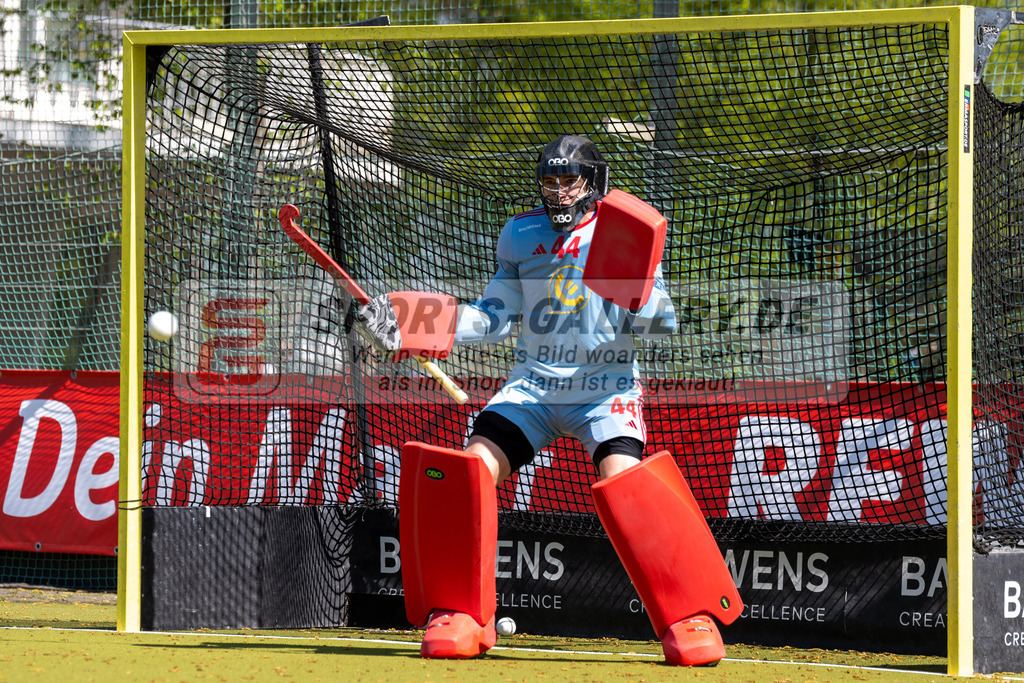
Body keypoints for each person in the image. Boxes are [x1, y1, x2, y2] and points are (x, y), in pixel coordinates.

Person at [357, 134, 741, 666]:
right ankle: (461, 614)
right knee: (470, 471)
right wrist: (411, 324)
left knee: (625, 482)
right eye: (550, 181)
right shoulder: (520, 234)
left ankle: (687, 616)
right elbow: (491, 318)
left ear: (594, 184)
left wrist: (630, 284)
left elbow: (665, 320)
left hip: (605, 392)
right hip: (532, 389)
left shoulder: (621, 230)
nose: (558, 192)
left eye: (569, 181)